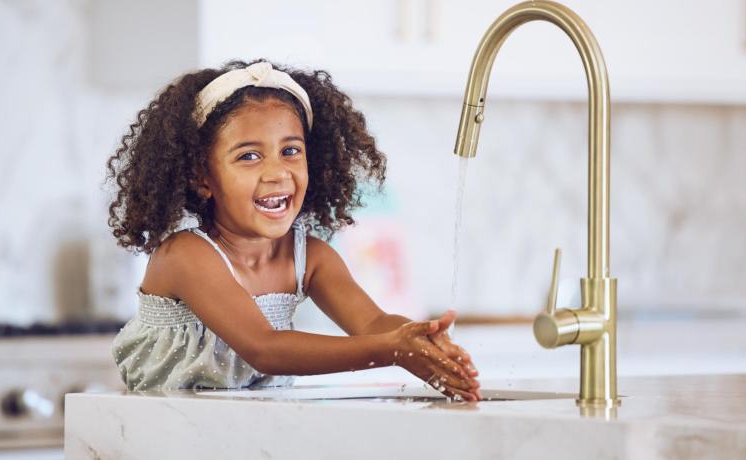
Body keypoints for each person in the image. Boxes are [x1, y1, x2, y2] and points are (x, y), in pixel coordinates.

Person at [105, 59, 481, 401]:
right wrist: (392, 351)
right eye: (248, 156)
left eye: (290, 151)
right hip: (161, 438)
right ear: (202, 178)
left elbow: (372, 323)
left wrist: (420, 339)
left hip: (252, 433)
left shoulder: (310, 256)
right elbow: (265, 348)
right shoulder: (186, 255)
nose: (277, 172)